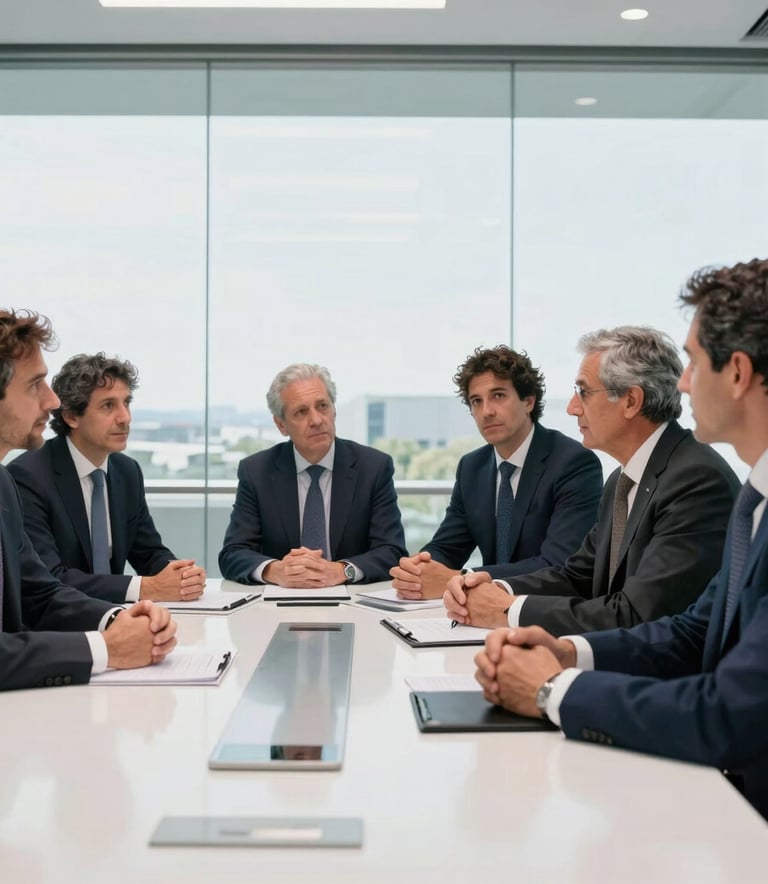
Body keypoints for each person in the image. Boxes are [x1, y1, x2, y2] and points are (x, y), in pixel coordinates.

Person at [475, 257, 768, 820]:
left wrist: (552, 689)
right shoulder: (752, 496)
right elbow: (692, 631)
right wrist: (567, 651)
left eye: (694, 362)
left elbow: (728, 712)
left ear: (736, 372)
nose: (682, 383)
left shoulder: (703, 479)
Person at [445, 326, 740, 634]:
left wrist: (508, 609)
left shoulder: (695, 481)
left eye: (583, 391)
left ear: (630, 401)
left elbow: (637, 614)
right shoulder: (621, 480)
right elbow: (577, 577)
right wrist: (496, 588)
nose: (572, 408)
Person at [0, 310, 177, 691]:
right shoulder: (25, 477)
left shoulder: (2, 486)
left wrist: (118, 620)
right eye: (35, 385)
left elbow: (41, 593)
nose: (51, 402)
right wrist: (105, 648)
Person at [390, 346, 603, 599]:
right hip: (483, 613)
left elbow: (557, 564)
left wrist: (460, 578)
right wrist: (418, 569)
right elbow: (448, 546)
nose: (486, 411)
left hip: (547, 613)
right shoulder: (472, 467)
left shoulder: (573, 463)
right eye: (476, 401)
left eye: (498, 395)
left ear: (529, 401)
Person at [8, 353, 206, 605]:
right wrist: (147, 587)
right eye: (108, 406)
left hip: (116, 616)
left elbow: (148, 551)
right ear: (71, 416)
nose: (125, 417)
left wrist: (181, 575)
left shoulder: (126, 471)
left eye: (127, 403)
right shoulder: (28, 476)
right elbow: (50, 577)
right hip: (59, 625)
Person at [219, 362, 407, 587]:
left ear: (334, 410)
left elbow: (392, 551)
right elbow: (233, 554)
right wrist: (275, 570)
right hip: (278, 604)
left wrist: (342, 570)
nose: (317, 420)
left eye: (323, 406)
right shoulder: (257, 472)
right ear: (281, 425)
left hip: (353, 603)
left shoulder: (373, 467)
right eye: (301, 412)